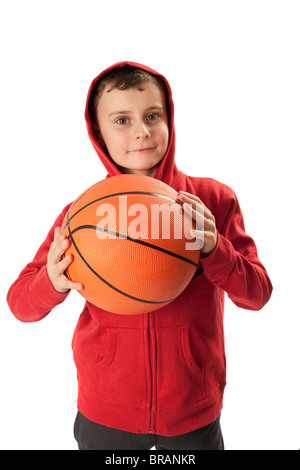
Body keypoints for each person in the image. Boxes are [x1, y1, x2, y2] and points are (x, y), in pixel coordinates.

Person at [7, 61, 273, 450]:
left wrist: (216, 249)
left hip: (191, 411)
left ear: (170, 119)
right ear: (97, 133)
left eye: (152, 115)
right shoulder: (82, 215)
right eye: (122, 120)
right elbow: (20, 304)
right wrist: (51, 280)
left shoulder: (213, 201)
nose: (142, 131)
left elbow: (258, 294)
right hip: (105, 411)